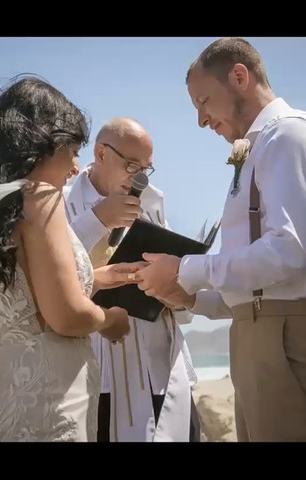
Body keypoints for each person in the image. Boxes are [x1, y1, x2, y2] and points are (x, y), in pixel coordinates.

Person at [134, 38, 306, 442]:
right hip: (263, 342)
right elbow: (259, 289)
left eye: (203, 101)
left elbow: (289, 252)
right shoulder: (259, 148)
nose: (201, 121)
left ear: (239, 77)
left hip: (296, 346)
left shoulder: (292, 137)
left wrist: (185, 270)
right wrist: (189, 298)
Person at [0, 75, 145, 442]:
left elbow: (28, 298)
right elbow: (64, 316)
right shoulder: (42, 199)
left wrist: (99, 278)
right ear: (42, 145)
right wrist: (109, 319)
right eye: (72, 151)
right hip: (51, 409)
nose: (73, 168)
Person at [62, 117, 201, 442]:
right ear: (100, 153)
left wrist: (172, 290)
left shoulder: (152, 202)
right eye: (131, 165)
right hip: (100, 376)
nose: (139, 178)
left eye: (146, 168)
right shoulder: (62, 200)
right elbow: (53, 276)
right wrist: (98, 220)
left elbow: (182, 301)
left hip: (161, 369)